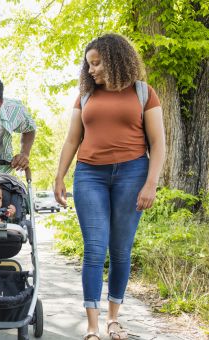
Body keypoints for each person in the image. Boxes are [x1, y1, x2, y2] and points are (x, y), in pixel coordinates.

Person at [53, 33, 166, 340]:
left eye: (97, 63)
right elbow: (72, 139)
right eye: (88, 64)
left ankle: (113, 319)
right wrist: (60, 175)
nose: (91, 70)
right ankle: (92, 326)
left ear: (116, 59)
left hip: (133, 174)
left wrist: (151, 184)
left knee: (120, 250)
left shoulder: (144, 93)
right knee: (94, 249)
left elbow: (158, 143)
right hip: (90, 175)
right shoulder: (86, 96)